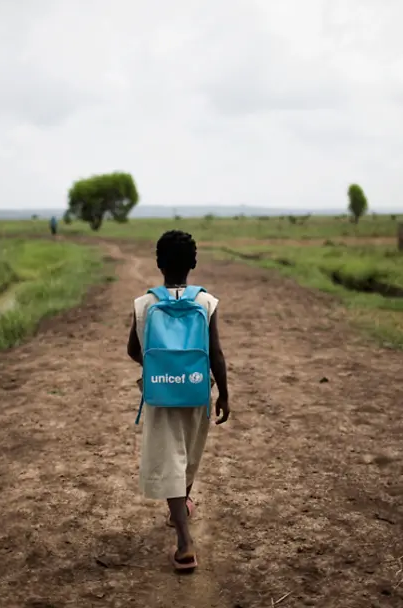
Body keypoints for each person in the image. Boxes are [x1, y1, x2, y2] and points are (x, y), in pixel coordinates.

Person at [127, 230, 230, 572]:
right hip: (197, 390)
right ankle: (182, 526)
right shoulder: (206, 302)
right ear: (193, 264)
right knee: (188, 453)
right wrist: (224, 393)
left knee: (170, 456)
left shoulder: (144, 304)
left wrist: (160, 368)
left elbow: (133, 350)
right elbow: (215, 353)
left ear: (159, 263)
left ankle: (184, 536)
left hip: (160, 393)